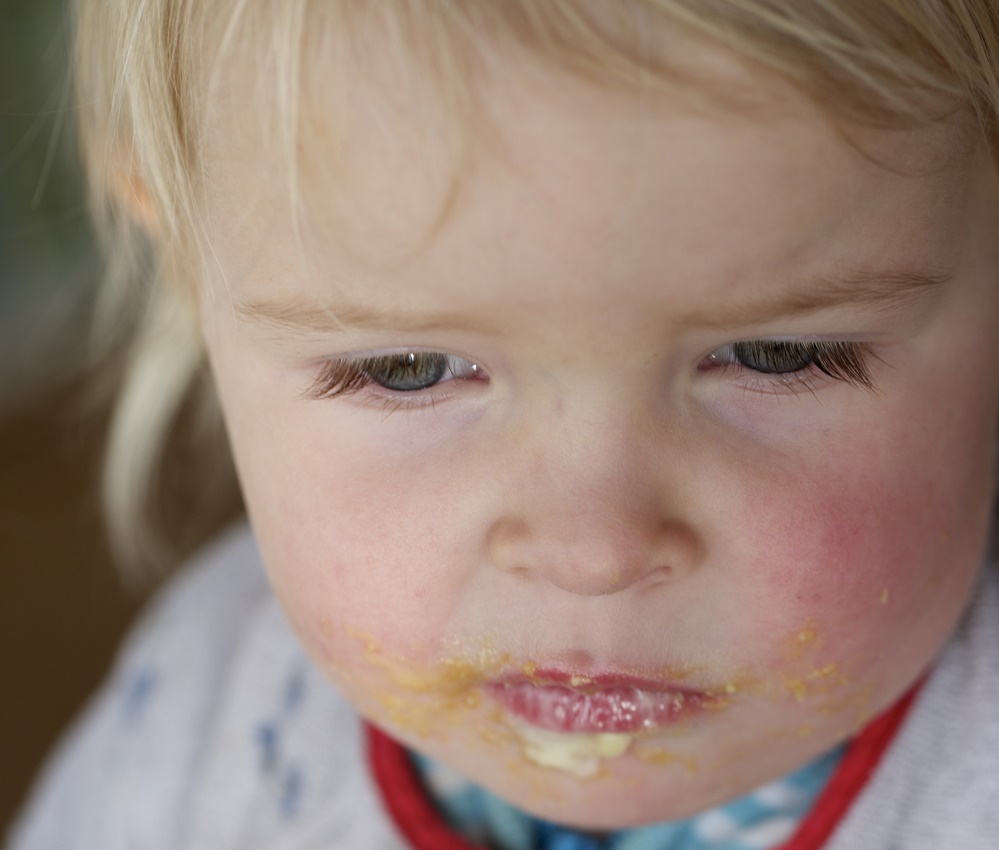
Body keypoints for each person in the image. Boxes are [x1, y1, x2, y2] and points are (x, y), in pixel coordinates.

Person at [8, 1, 999, 848]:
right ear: (186, 256)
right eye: (409, 369)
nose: (593, 550)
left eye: (779, 356)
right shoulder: (197, 728)